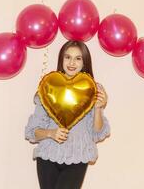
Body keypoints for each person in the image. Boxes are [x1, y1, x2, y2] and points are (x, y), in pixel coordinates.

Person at [25, 40, 110, 189]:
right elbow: (33, 131)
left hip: (78, 157)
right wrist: (51, 133)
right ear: (61, 59)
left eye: (78, 58)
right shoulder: (49, 86)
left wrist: (98, 108)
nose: (72, 62)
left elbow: (97, 133)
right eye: (67, 57)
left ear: (85, 62)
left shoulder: (93, 89)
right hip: (48, 156)